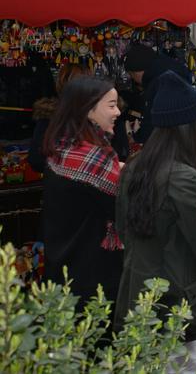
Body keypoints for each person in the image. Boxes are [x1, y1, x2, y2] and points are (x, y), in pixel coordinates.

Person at [115, 71, 196, 371]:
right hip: (178, 300)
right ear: (190, 127)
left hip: (138, 296)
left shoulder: (134, 166)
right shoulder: (184, 177)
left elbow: (123, 230)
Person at [40, 75, 124, 307]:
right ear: (88, 110)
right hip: (94, 283)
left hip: (62, 273)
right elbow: (127, 210)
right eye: (111, 105)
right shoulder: (95, 159)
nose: (117, 112)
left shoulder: (61, 148)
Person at [123, 43, 196, 161]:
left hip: (179, 157)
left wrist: (137, 137)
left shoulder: (159, 83)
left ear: (137, 72)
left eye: (132, 76)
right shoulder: (174, 72)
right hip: (195, 151)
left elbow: (152, 122)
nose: (135, 81)